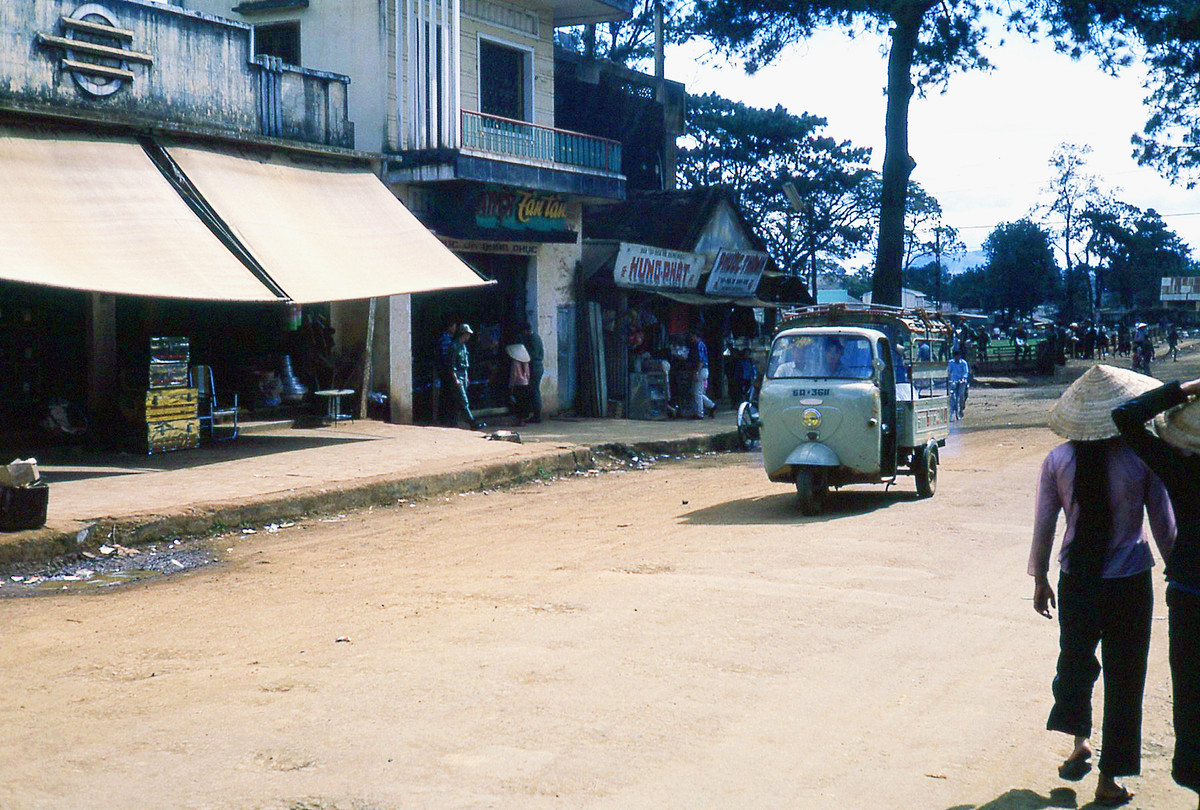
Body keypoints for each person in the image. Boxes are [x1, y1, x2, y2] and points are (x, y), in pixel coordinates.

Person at [1032, 365, 1175, 808]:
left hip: (1077, 580)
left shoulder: (1058, 460)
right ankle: (1110, 778)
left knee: (1075, 662)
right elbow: (1164, 526)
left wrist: (1040, 578)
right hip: (1130, 583)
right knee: (1125, 677)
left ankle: (1080, 743)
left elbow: (1044, 525)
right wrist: (1178, 573)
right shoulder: (1141, 458)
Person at [1114, 375, 1200, 808]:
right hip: (1188, 591)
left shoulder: (1181, 467)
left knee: (1192, 695)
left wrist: (1187, 388)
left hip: (1190, 593)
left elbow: (1126, 417)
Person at [447, 324, 485, 430]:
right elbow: (451, 365)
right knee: (464, 400)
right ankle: (472, 423)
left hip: (463, 374)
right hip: (458, 375)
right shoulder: (454, 346)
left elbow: (465, 364)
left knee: (457, 400)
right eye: (467, 334)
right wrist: (455, 378)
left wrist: (466, 377)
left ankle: (453, 422)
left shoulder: (463, 346)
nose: (469, 337)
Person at [519, 320, 545, 423]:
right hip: (536, 366)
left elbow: (531, 355)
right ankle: (534, 413)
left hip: (535, 367)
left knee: (534, 391)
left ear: (526, 331)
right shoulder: (535, 337)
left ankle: (537, 415)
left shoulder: (533, 339)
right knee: (533, 390)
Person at [687, 331, 715, 419]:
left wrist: (696, 372)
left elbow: (701, 360)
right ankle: (711, 405)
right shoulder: (699, 345)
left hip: (701, 370)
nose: (690, 338)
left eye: (691, 336)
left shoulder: (699, 345)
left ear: (695, 336)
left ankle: (700, 413)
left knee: (697, 393)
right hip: (703, 370)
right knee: (697, 392)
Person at [433, 319, 457, 425]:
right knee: (442, 395)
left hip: (442, 372)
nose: (455, 329)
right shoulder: (446, 340)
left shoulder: (448, 339)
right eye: (454, 326)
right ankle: (439, 418)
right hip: (442, 372)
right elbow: (445, 358)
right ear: (450, 327)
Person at [505, 343, 531, 426]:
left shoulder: (515, 362)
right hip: (525, 384)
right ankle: (523, 420)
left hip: (518, 385)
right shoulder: (526, 362)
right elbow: (528, 374)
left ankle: (519, 420)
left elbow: (514, 375)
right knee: (524, 403)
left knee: (518, 403)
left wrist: (511, 385)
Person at [947, 348, 970, 421]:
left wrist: (963, 378)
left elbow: (965, 373)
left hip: (962, 381)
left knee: (961, 395)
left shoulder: (964, 363)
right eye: (955, 356)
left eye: (958, 356)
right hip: (954, 381)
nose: (957, 358)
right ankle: (951, 410)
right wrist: (948, 378)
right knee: (951, 396)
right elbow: (949, 371)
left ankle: (960, 410)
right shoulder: (951, 362)